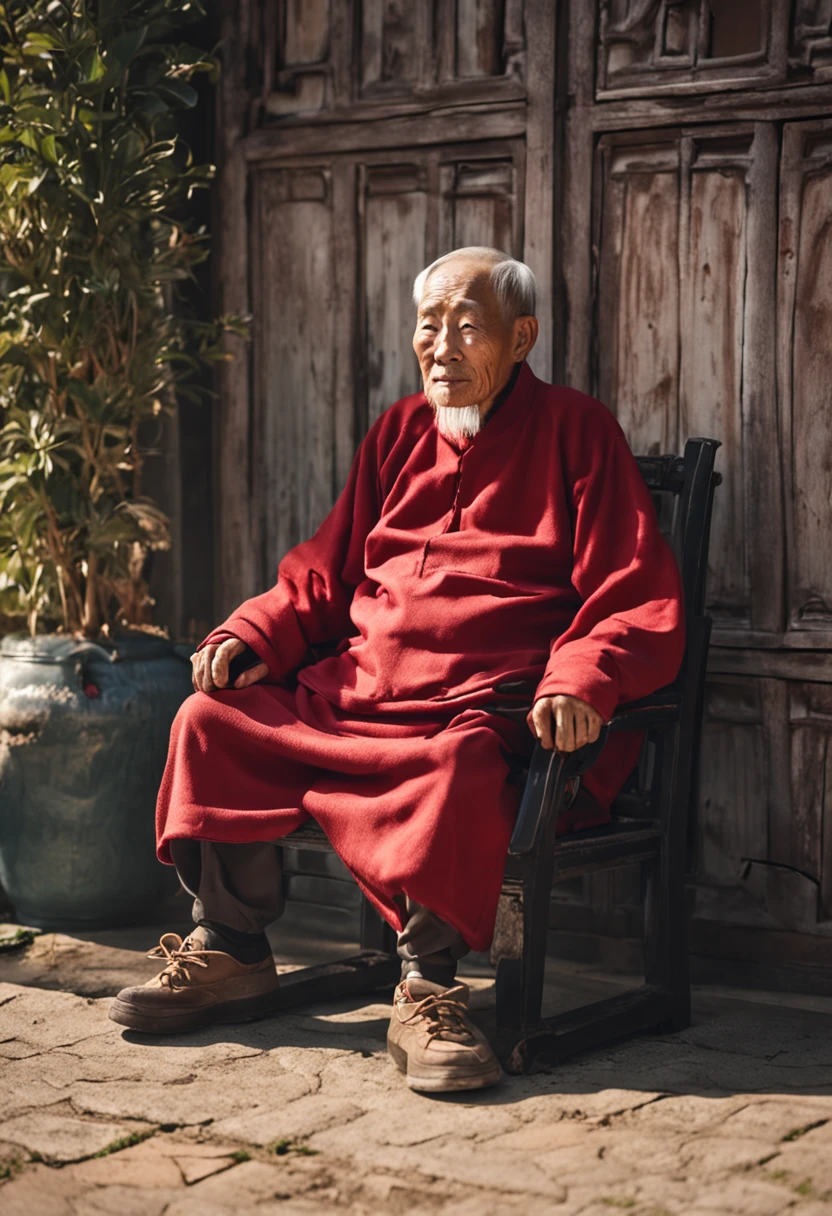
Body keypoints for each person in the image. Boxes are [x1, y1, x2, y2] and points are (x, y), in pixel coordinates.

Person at [110, 247, 684, 1093]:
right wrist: (256, 627)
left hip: (473, 715)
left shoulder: (577, 430)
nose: (441, 345)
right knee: (210, 720)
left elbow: (631, 593)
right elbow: (326, 570)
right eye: (428, 324)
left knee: (460, 767)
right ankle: (230, 946)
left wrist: (579, 680)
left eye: (467, 325)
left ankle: (426, 986)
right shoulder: (400, 431)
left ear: (520, 337)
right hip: (351, 696)